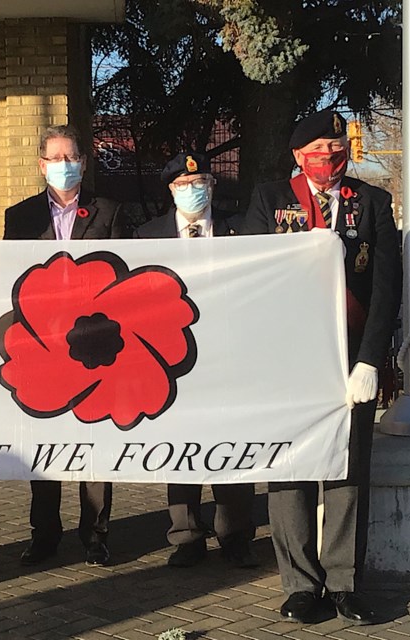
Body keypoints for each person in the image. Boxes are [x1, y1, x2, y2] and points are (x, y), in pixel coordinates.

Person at [241, 109, 402, 625]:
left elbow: (385, 288)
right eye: (317, 155)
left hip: (349, 360)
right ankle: (300, 584)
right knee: (290, 471)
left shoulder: (372, 203)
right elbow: (253, 279)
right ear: (297, 157)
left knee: (348, 470)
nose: (329, 162)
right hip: (288, 361)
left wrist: (371, 359)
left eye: (337, 154)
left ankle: (344, 583)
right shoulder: (270, 201)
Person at [3, 123, 128, 567]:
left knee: (94, 442)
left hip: (96, 346)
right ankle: (44, 534)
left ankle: (96, 534)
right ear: (41, 165)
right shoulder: (19, 217)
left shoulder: (108, 211)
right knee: (47, 443)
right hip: (42, 347)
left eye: (70, 157)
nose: (63, 166)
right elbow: (9, 281)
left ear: (83, 162)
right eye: (54, 159)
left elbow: (123, 279)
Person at [134, 151, 258, 570]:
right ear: (170, 190)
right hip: (171, 356)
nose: (193, 190)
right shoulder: (146, 236)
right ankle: (186, 533)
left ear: (213, 185)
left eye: (200, 181)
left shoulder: (239, 229)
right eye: (184, 185)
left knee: (231, 444)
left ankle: (235, 532)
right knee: (180, 445)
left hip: (229, 353)